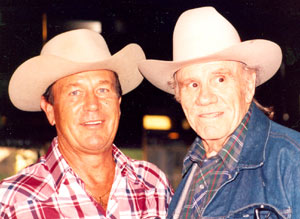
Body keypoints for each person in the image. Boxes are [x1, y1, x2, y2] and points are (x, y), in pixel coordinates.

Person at [139, 7, 300, 219]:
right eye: (192, 84)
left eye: (220, 79)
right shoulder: (192, 174)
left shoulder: (291, 161)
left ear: (249, 84)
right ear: (178, 96)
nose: (205, 97)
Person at [0, 29, 173, 218]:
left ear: (118, 103)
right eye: (75, 93)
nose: (92, 105)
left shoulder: (153, 186)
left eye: (103, 90)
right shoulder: (13, 202)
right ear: (50, 109)